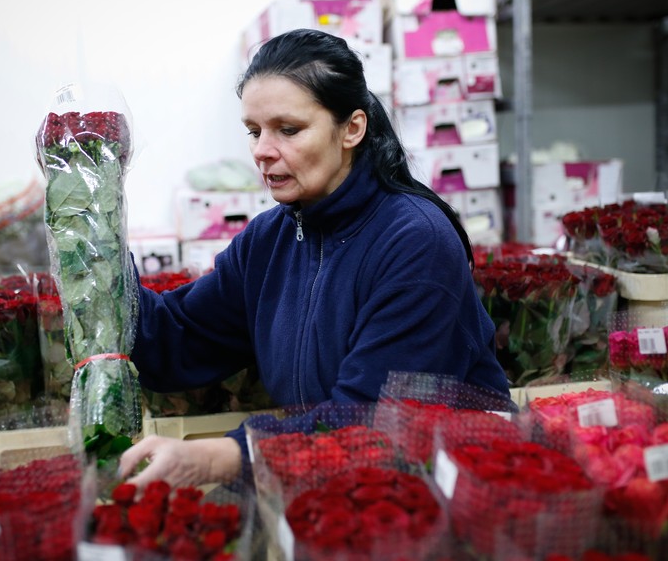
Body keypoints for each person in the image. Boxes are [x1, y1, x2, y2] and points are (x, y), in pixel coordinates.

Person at [119, 28, 510, 490]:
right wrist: (95, 245)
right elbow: (178, 338)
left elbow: (372, 419)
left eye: (288, 130)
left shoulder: (415, 242)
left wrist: (221, 458)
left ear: (352, 129)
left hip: (451, 492)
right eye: (254, 131)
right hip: (338, 486)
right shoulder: (270, 240)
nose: (262, 150)